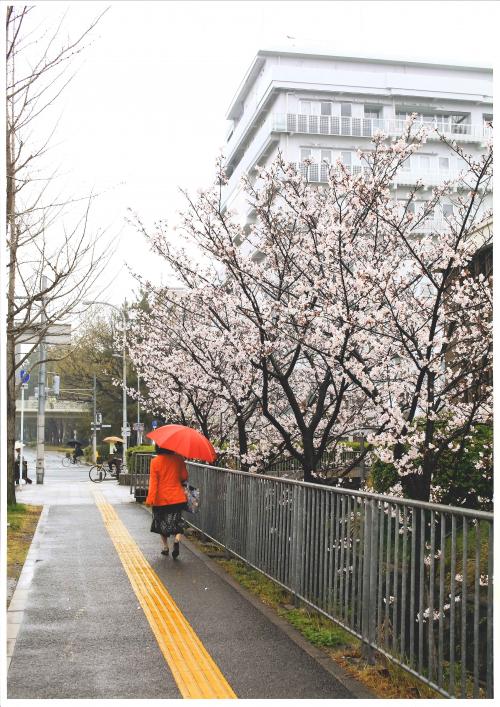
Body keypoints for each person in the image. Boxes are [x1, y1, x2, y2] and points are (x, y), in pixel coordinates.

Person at [145, 445, 188, 559]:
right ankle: (177, 540)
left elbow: (153, 483)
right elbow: (184, 476)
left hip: (161, 499)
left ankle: (165, 547)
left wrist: (150, 500)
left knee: (161, 523)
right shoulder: (179, 458)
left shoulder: (155, 461)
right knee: (177, 521)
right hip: (178, 497)